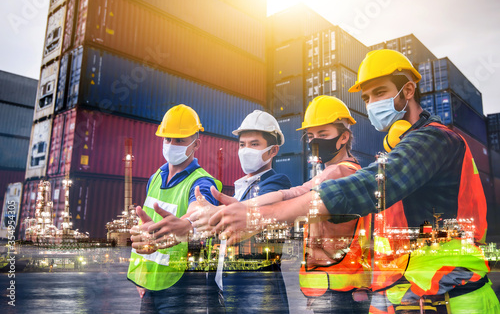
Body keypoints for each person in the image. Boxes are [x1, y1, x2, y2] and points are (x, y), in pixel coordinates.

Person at [210, 50, 500, 313]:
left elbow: (369, 186)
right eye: (367, 98)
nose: (373, 104)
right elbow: (293, 193)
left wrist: (262, 217)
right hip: (407, 298)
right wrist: (238, 209)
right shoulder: (396, 151)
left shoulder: (435, 140)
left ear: (408, 90)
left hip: (455, 300)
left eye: (380, 93)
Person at [213, 97, 371, 313]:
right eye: (312, 136)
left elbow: (291, 195)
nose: (315, 142)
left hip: (339, 289)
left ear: (343, 137)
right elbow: (291, 194)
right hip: (334, 286)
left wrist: (246, 208)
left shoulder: (339, 172)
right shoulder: (344, 171)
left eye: (323, 135)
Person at [189, 110, 292, 313]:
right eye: (242, 145)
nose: (246, 150)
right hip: (222, 292)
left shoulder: (276, 183)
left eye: (254, 144)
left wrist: (215, 214)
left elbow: (250, 214)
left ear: (273, 151)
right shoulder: (241, 187)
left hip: (256, 295)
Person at [127, 104, 222, 314]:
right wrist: (141, 276)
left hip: (183, 285)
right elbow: (147, 227)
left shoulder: (203, 182)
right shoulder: (154, 178)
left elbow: (199, 209)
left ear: (196, 144)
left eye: (180, 140)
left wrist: (186, 223)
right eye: (168, 139)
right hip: (151, 283)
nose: (172, 144)